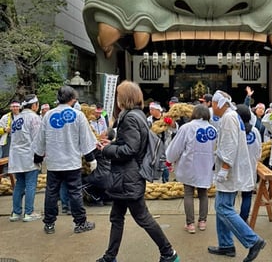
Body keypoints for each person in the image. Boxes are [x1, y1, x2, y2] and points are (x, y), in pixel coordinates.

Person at [96, 80, 179, 262]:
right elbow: (129, 144)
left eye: (119, 95)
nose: (117, 99)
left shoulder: (131, 117)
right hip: (125, 177)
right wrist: (112, 144)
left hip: (128, 177)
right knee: (117, 217)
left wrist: (106, 150)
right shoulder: (136, 115)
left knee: (142, 217)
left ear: (124, 98)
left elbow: (130, 149)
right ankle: (110, 256)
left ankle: (168, 253)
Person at [207, 90, 266, 262]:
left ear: (219, 103)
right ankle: (226, 244)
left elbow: (229, 145)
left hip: (229, 170)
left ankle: (253, 240)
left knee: (223, 208)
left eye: (212, 104)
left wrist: (225, 168)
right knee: (222, 207)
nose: (212, 107)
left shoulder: (228, 118)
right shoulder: (232, 116)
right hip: (231, 168)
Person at [32, 85, 97, 235]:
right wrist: (91, 159)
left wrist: (37, 156)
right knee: (75, 193)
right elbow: (85, 140)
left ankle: (49, 224)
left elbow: (40, 139)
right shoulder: (78, 115)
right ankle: (80, 222)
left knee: (51, 193)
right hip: (72, 162)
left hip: (54, 162)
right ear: (72, 99)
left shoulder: (48, 115)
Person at [166, 104, 217, 233]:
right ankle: (202, 221)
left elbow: (176, 147)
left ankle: (190, 224)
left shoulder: (187, 128)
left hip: (190, 165)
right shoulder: (213, 129)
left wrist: (169, 159)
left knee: (188, 193)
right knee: (203, 193)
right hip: (206, 166)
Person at [8, 95, 42, 222]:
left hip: (16, 156)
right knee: (30, 184)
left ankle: (16, 213)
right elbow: (38, 139)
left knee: (19, 185)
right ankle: (29, 212)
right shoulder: (34, 118)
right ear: (34, 105)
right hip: (29, 155)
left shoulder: (17, 118)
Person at [235, 104, 262, 222]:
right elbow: (259, 150)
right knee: (247, 195)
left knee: (231, 195)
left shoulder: (235, 130)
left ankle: (231, 219)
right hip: (250, 166)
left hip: (235, 167)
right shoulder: (255, 131)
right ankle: (243, 219)